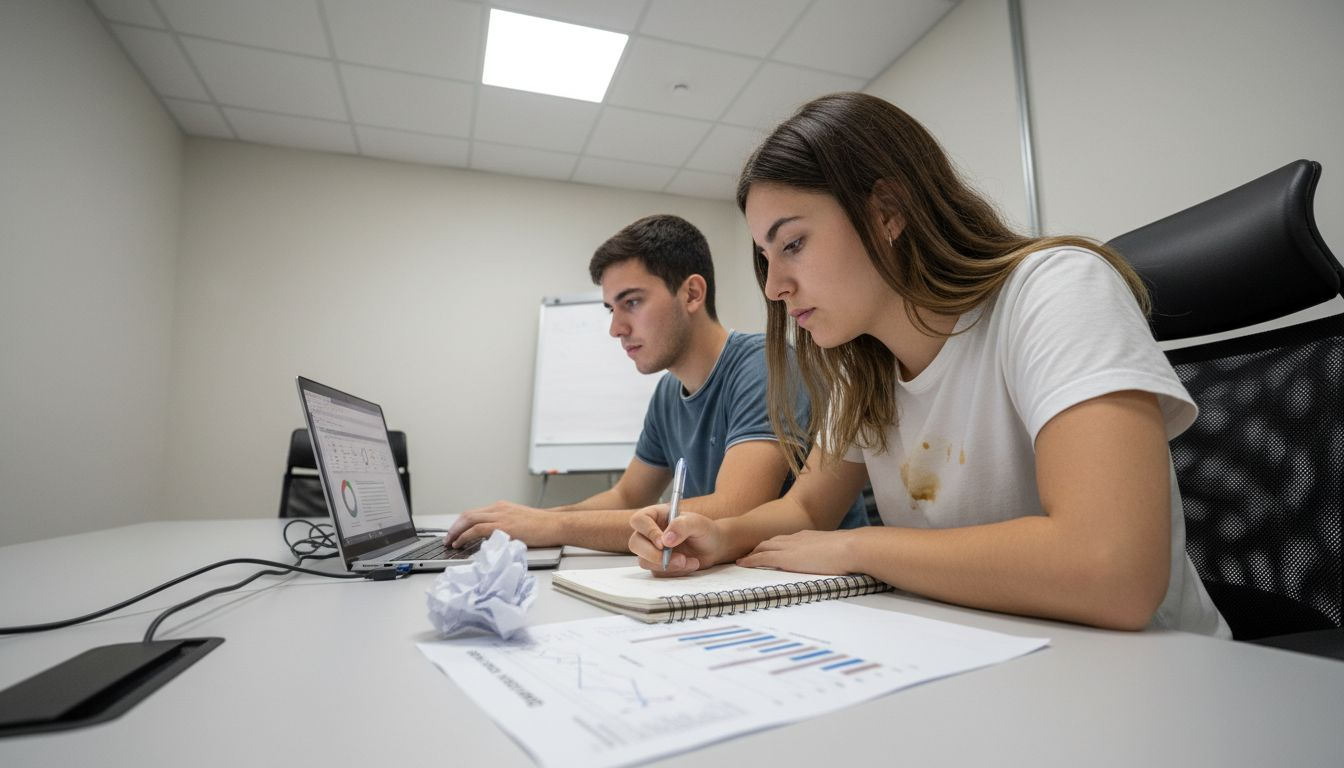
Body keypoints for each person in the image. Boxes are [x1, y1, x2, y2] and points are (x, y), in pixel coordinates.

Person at [628, 93, 1229, 636]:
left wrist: (862, 548)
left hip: (1148, 677)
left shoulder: (1057, 291)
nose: (776, 286)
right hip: (985, 652)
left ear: (887, 212)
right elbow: (807, 506)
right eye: (766, 257)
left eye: (793, 244)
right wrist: (719, 535)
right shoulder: (865, 368)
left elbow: (1112, 570)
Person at [446, 214, 867, 553]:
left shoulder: (763, 364)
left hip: (814, 586)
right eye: (611, 308)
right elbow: (626, 496)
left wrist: (555, 525)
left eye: (631, 302)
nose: (616, 328)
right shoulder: (668, 392)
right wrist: (530, 519)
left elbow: (737, 507)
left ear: (691, 294)